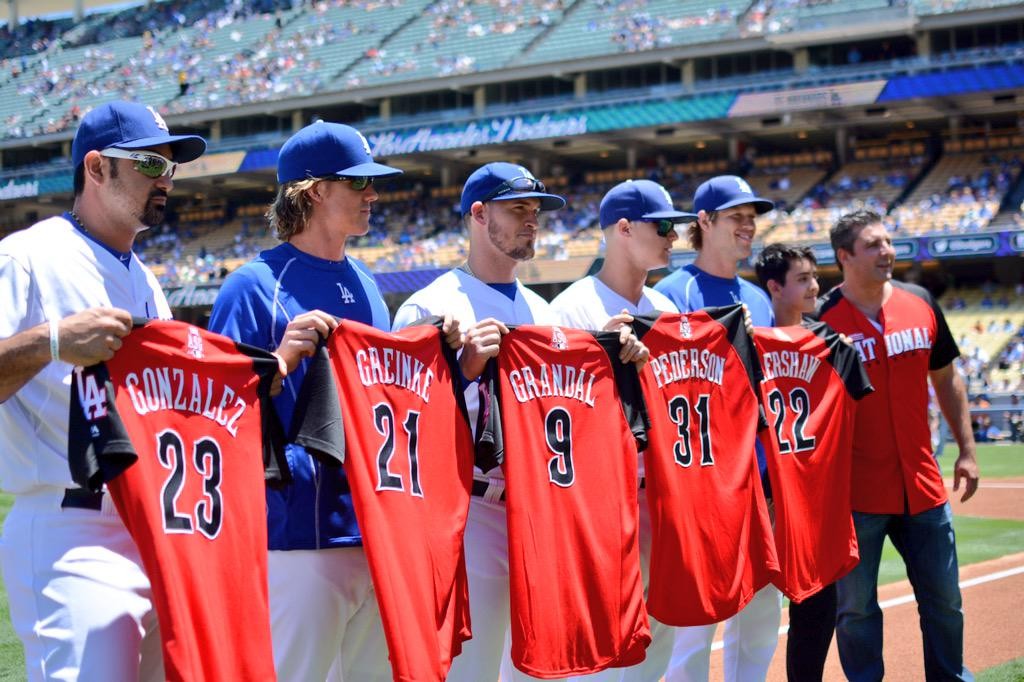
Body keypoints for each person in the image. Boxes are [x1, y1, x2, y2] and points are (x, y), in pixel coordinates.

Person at [392, 162, 645, 682]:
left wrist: (619, 364)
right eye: (518, 209)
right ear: (479, 215)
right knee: (472, 670)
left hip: (544, 513)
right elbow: (403, 429)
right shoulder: (429, 306)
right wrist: (463, 372)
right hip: (472, 513)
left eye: (536, 210)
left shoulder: (543, 314)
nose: (533, 220)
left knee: (545, 668)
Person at [0, 100, 206, 681]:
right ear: (96, 168)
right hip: (71, 525)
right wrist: (54, 340)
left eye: (170, 167)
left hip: (153, 523)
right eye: (147, 163)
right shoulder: (27, 256)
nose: (164, 179)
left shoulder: (145, 278)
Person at [208, 121, 410, 681]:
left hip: (372, 526)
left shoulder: (369, 284)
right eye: (358, 183)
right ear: (315, 189)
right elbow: (216, 415)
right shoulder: (252, 286)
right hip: (294, 534)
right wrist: (278, 361)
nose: (374, 195)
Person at [818, 209, 980, 681]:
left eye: (888, 241)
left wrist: (968, 451)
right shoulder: (821, 320)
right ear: (845, 256)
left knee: (946, 602)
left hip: (922, 484)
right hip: (854, 493)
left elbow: (948, 379)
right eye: (874, 244)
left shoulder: (921, 300)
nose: (887, 251)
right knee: (856, 612)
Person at [550, 178, 694, 681]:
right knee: (604, 650)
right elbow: (558, 418)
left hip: (663, 500)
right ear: (625, 229)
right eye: (664, 227)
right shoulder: (571, 308)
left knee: (658, 644)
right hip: (603, 505)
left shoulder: (669, 312)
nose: (674, 237)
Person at [653, 175, 782, 682]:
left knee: (761, 612)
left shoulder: (756, 295)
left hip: (757, 473)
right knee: (695, 623)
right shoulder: (671, 292)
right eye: (735, 216)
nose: (748, 225)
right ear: (703, 222)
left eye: (752, 216)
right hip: (700, 476)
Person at [754, 243, 837, 682]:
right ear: (774, 287)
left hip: (815, 496)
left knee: (820, 603)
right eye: (802, 279)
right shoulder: (749, 344)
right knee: (754, 615)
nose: (814, 286)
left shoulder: (830, 342)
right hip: (766, 497)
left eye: (814, 277)